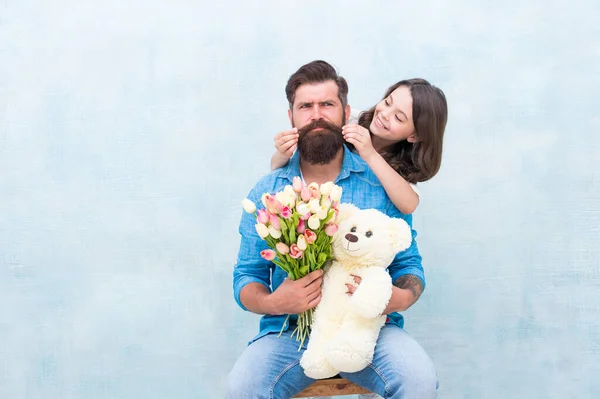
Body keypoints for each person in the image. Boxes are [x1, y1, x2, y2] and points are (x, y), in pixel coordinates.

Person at [227, 60, 439, 399]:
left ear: (346, 113)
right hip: (288, 334)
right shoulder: (268, 192)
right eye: (305, 106)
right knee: (243, 388)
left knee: (418, 381)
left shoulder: (382, 182)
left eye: (327, 104)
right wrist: (275, 301)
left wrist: (394, 298)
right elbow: (246, 275)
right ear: (291, 117)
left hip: (371, 330)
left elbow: (409, 267)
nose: (317, 115)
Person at [271, 78, 447, 215]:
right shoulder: (352, 119)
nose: (385, 114)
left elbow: (408, 205)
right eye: (387, 102)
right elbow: (276, 167)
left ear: (414, 135)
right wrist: (282, 152)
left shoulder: (404, 166)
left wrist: (370, 153)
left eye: (399, 118)